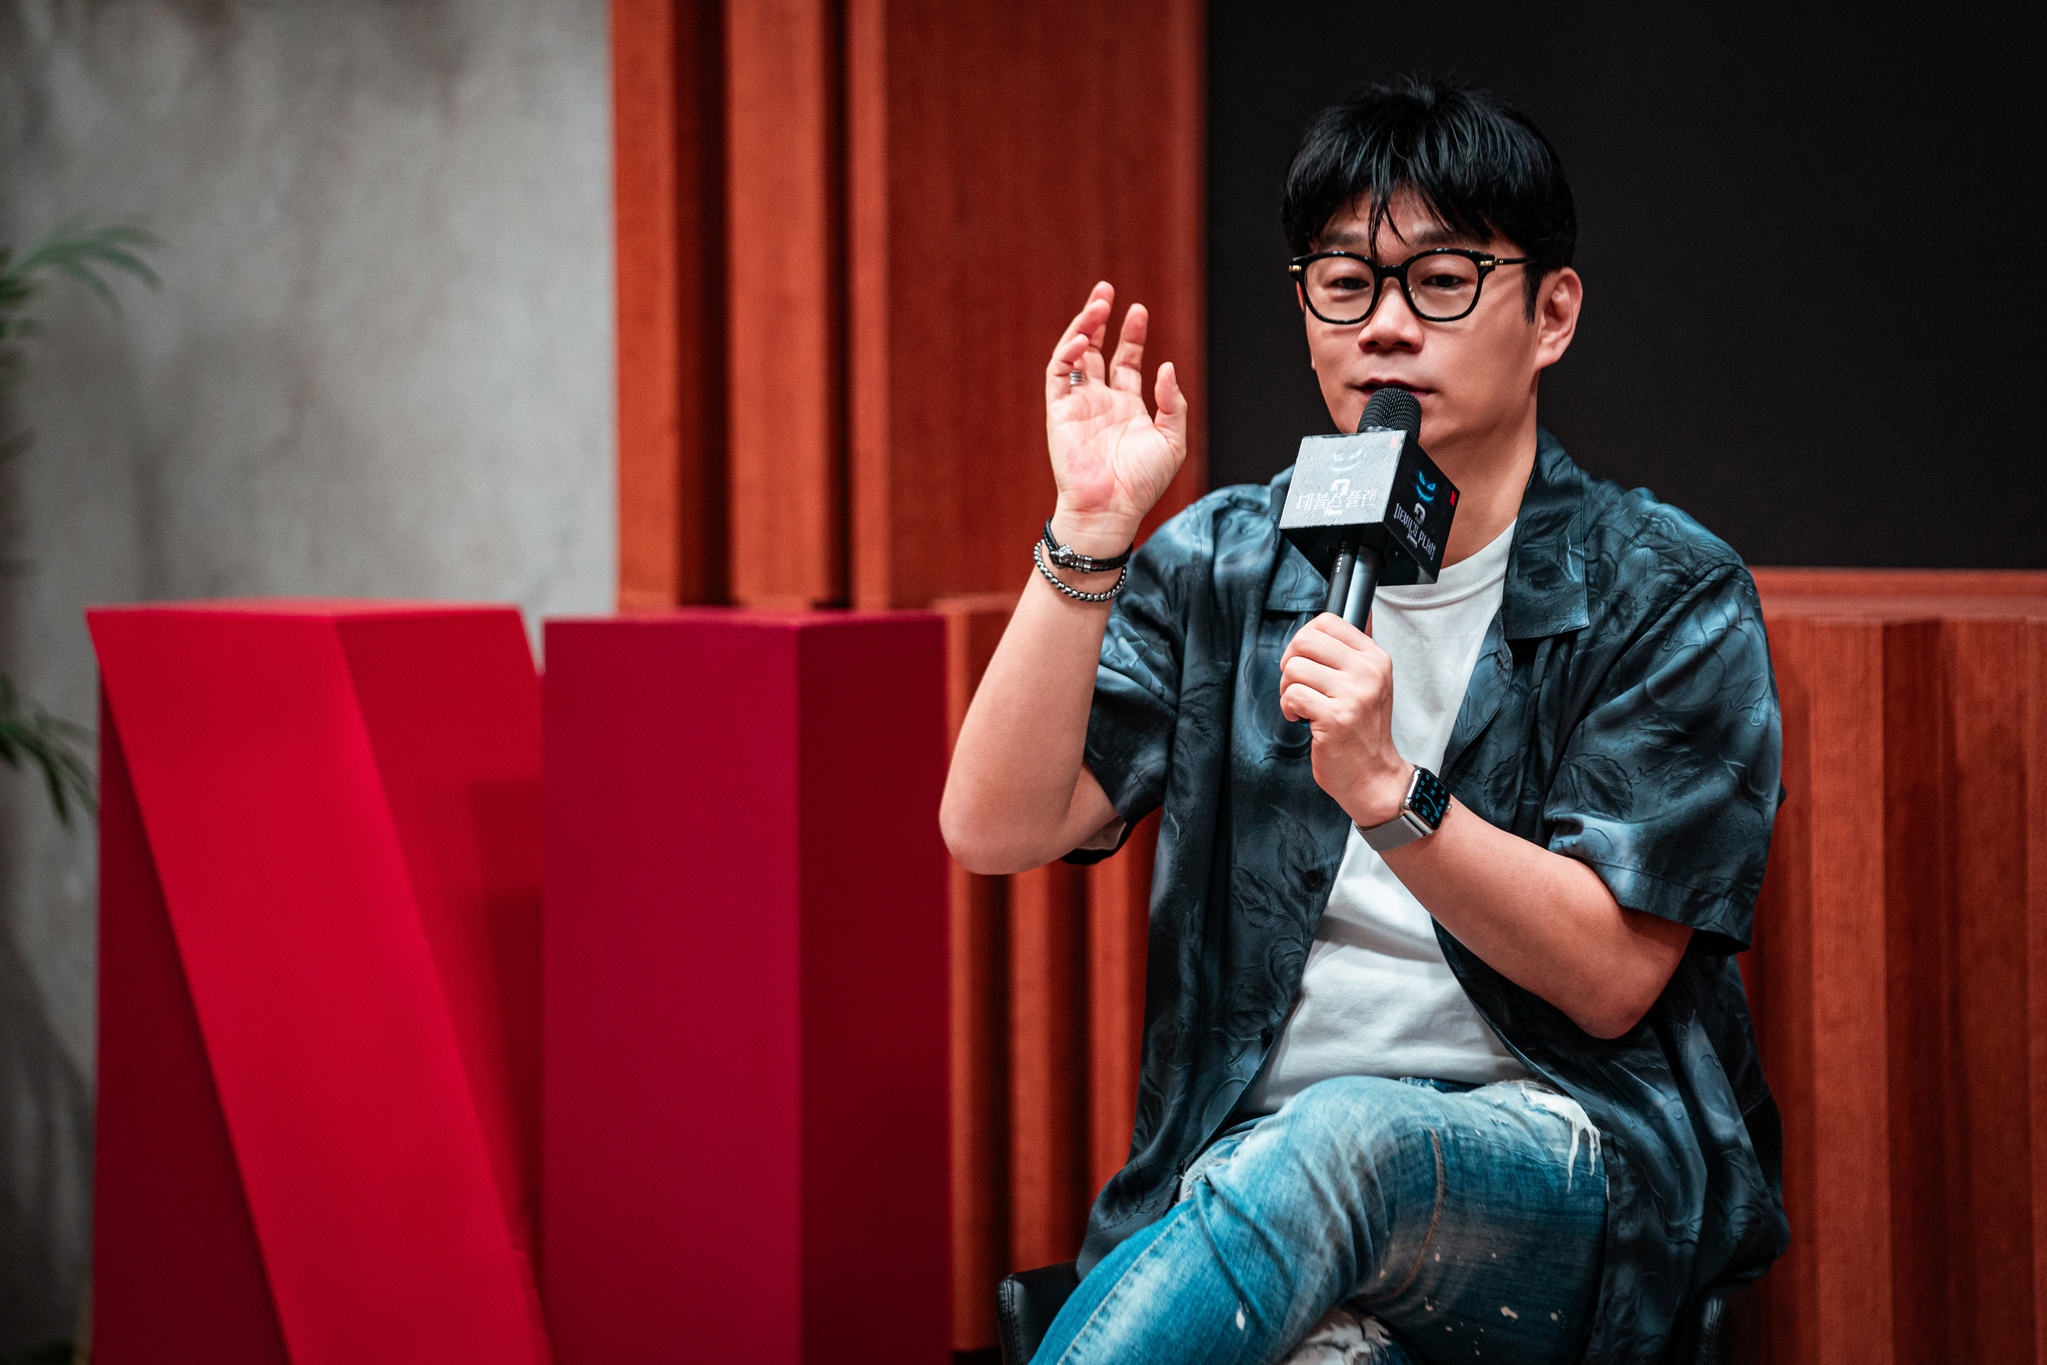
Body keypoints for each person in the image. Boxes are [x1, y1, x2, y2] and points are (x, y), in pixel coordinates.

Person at [941, 75, 1786, 1365]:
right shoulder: (1229, 559)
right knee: (1333, 1335)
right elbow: (992, 828)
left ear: (1551, 311)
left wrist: (1395, 798)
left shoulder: (1663, 587)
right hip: (1250, 1182)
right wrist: (1090, 535)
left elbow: (1614, 979)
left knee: (1344, 1139)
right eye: (1346, 285)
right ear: (1305, 309)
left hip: (1561, 1167)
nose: (1386, 329)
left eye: (1442, 281)